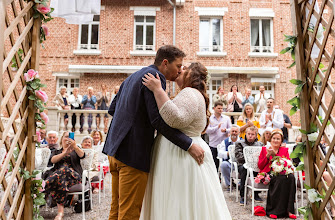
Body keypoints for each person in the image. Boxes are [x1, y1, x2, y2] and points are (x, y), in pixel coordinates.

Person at [102, 45, 205, 220]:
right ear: (165, 63)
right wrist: (188, 145)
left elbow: (112, 109)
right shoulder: (156, 78)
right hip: (132, 155)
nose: (180, 70)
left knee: (116, 210)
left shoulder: (133, 76)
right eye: (178, 66)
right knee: (130, 213)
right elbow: (158, 121)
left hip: (114, 151)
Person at [140, 62, 231, 219]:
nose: (180, 70)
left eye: (185, 68)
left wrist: (157, 90)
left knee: (177, 199)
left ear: (192, 75)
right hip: (183, 150)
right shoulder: (190, 93)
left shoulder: (190, 92)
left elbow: (176, 119)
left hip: (181, 154)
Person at [44, 131, 85, 220]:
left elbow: (82, 155)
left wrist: (74, 146)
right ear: (61, 139)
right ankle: (60, 213)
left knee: (64, 170)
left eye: (69, 137)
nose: (67, 139)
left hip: (74, 176)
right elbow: (52, 161)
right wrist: (64, 153)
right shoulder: (57, 151)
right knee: (61, 178)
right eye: (65, 137)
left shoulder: (76, 150)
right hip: (60, 177)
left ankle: (44, 186)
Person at [258, 129, 297, 219]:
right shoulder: (265, 149)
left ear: (281, 141)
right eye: (274, 138)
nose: (275, 140)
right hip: (269, 173)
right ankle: (273, 210)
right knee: (279, 179)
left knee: (291, 177)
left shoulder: (284, 150)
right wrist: (267, 156)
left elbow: (286, 162)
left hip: (282, 172)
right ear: (270, 140)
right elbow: (260, 165)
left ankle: (289, 210)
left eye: (278, 139)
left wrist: (275, 155)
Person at [235, 126, 263, 205]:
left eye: (252, 134)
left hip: (256, 165)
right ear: (245, 134)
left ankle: (256, 194)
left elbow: (262, 156)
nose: (250, 136)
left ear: (256, 135)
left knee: (262, 169)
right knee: (245, 169)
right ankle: (243, 196)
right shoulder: (239, 143)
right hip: (243, 165)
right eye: (249, 134)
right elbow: (239, 157)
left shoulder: (260, 144)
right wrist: (251, 157)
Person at [206, 101, 232, 170]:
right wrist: (217, 127)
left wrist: (226, 130)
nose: (221, 110)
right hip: (213, 144)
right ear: (214, 108)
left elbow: (231, 129)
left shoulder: (226, 118)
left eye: (222, 108)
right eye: (219, 108)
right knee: (214, 164)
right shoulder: (210, 118)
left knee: (225, 163)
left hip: (224, 145)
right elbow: (207, 130)